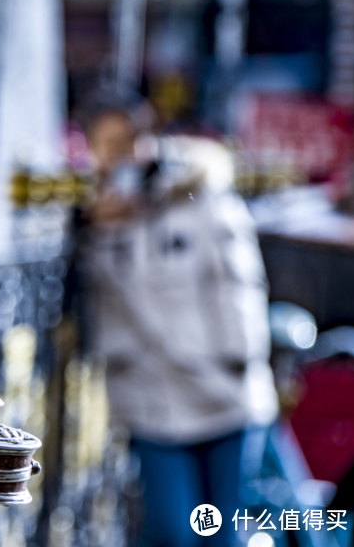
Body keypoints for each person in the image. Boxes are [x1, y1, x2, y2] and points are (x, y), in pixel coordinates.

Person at [78, 92, 278, 547]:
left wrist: (239, 360)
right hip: (150, 396)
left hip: (223, 388)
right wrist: (90, 223)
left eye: (127, 140)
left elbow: (240, 284)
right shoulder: (94, 210)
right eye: (104, 144)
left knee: (221, 531)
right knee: (172, 530)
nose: (119, 155)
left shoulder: (199, 191)